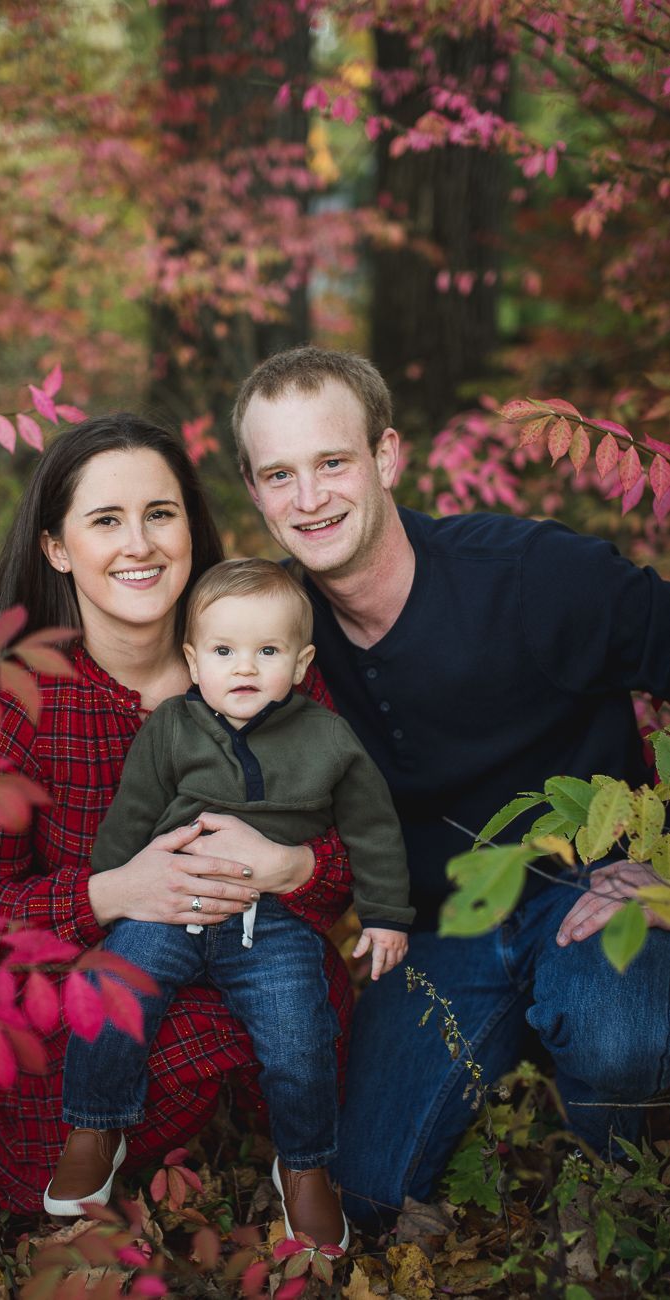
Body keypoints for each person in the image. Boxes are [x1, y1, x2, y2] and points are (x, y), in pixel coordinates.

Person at [231, 345, 670, 1228]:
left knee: (625, 1040)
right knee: (361, 1194)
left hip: (585, 889)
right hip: (436, 934)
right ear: (254, 493)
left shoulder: (529, 576)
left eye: (331, 462)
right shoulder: (274, 633)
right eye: (279, 474)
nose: (308, 498)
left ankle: (621, 1204)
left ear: (386, 458)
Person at [0, 415, 355, 1214]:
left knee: (293, 1002)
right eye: (106, 520)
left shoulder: (263, 660)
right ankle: (108, 1139)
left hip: (253, 953)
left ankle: (285, 1159)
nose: (140, 544)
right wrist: (112, 893)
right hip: (83, 974)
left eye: (160, 513)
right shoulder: (4, 703)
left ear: (191, 524)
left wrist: (294, 867)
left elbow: (347, 854)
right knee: (101, 1016)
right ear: (57, 548)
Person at [44, 559, 412, 1247]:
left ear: (300, 663)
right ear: (192, 659)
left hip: (269, 918)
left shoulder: (327, 738)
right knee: (109, 989)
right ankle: (95, 1127)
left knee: (300, 1034)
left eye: (266, 651)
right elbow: (132, 814)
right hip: (170, 901)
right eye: (222, 651)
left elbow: (372, 826)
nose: (243, 668)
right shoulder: (171, 728)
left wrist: (387, 913)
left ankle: (304, 1168)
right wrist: (117, 894)